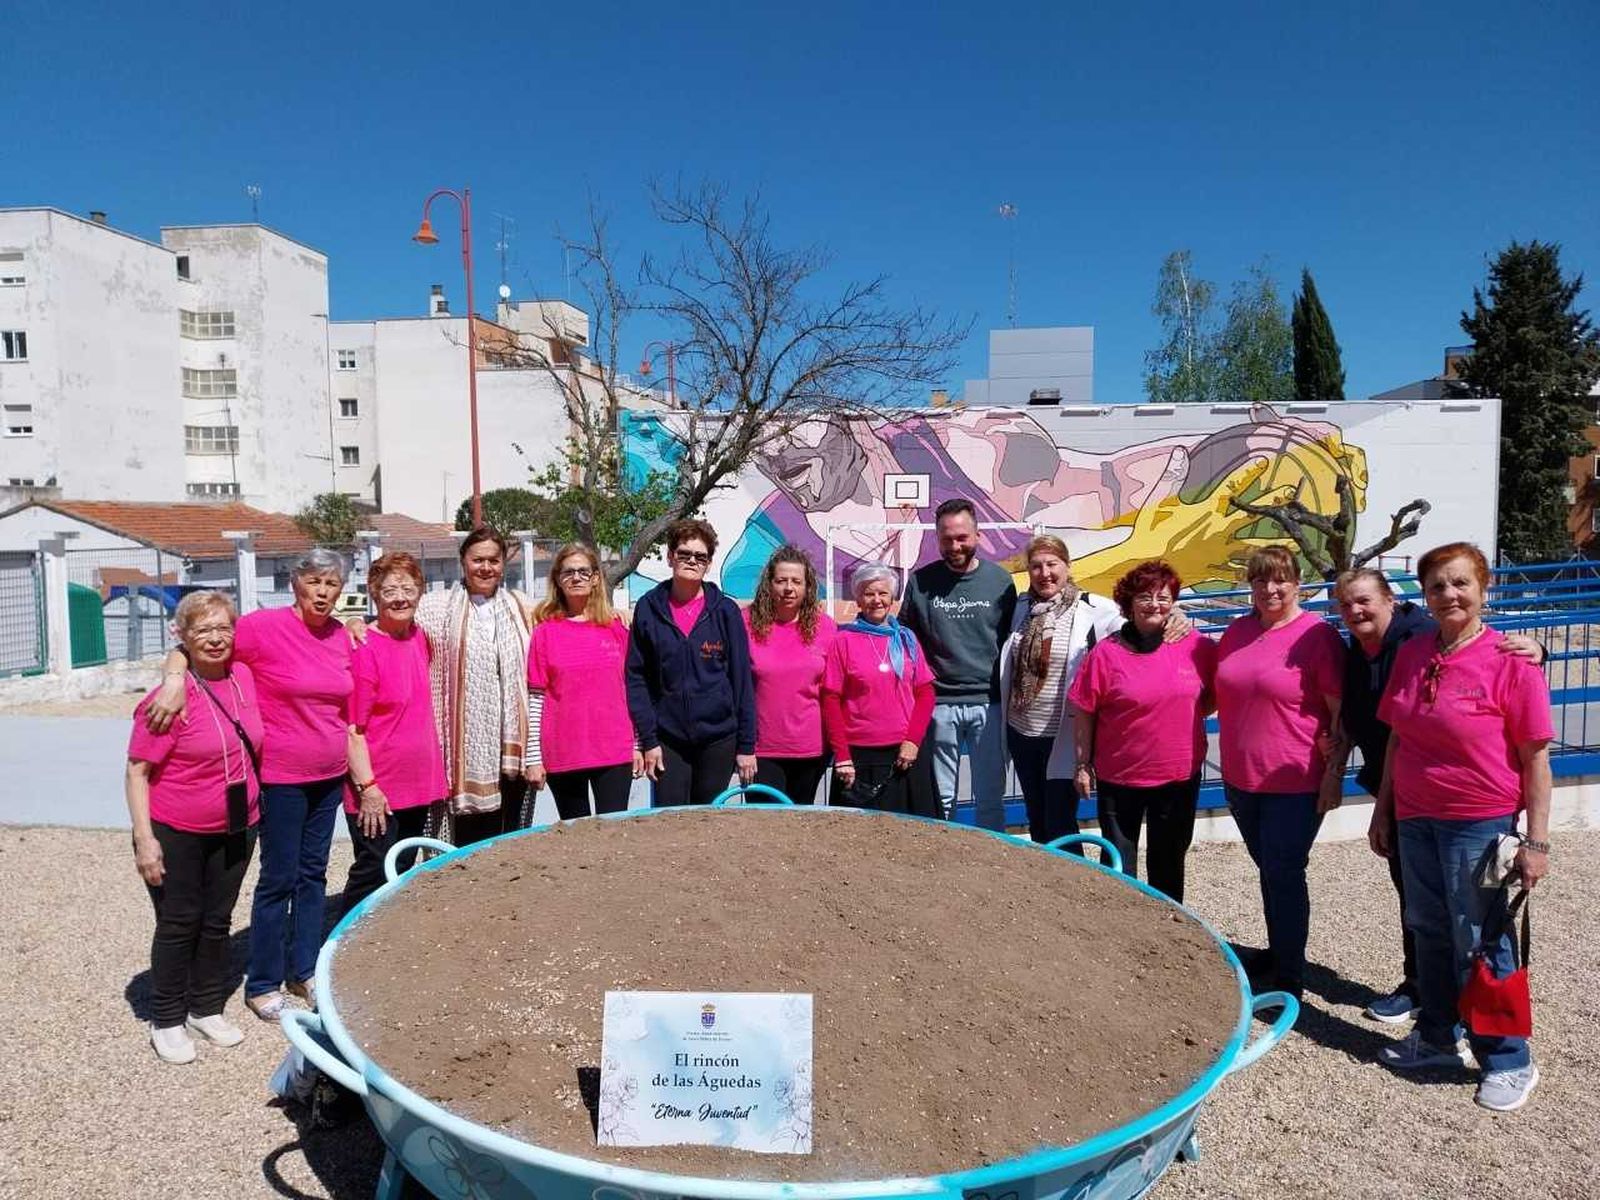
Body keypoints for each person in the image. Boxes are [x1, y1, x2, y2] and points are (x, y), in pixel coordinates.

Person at [1370, 542, 1552, 1112]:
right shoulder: (1416, 651)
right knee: (1428, 928)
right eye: (1437, 587)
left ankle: (1508, 1057)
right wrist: (1384, 807)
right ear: (1423, 597)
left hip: (1479, 821)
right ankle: (1437, 1036)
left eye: (1460, 584)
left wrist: (1537, 841)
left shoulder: (1511, 660)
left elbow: (1536, 758)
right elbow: (1399, 736)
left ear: (1483, 587)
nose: (1449, 595)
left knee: (1483, 938)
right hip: (1418, 817)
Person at [1327, 568, 1545, 1023]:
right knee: (1422, 910)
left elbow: (1492, 655)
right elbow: (1388, 731)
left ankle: (1492, 1035)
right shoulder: (1364, 650)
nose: (1355, 611)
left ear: (1392, 599)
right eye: (1345, 605)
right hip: (1406, 797)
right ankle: (1431, 1004)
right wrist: (1379, 805)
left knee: (1475, 923)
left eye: (1364, 600)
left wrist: (1540, 649)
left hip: (1470, 808)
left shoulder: (1420, 639)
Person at [145, 549, 354, 1020]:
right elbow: (198, 645)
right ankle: (262, 982)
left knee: (314, 877)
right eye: (314, 582)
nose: (322, 592)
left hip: (328, 777)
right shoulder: (263, 628)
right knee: (278, 880)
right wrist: (174, 677)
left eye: (331, 584)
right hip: (281, 778)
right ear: (295, 584)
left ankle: (302, 970)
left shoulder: (342, 635)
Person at [126, 592, 261, 1063]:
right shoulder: (165, 701)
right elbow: (137, 772)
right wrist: (145, 840)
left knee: (217, 920)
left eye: (223, 627)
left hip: (238, 824)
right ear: (181, 637)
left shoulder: (243, 675)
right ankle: (166, 1018)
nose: (215, 638)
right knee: (179, 922)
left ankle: (205, 1007)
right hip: (177, 828)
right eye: (202, 630)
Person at [1213, 545, 1344, 1002]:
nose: (1271, 589)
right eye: (1261, 580)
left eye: (1281, 579)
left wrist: (1334, 775)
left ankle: (1290, 974)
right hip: (1242, 777)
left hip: (1295, 779)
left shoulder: (1317, 636)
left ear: (1297, 583)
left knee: (1285, 871)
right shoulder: (1238, 631)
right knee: (1269, 870)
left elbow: (1338, 711)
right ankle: (1280, 950)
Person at [1067, 561, 1217, 901]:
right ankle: (1121, 930)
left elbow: (1212, 695)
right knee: (1119, 864)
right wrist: (1082, 764)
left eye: (1163, 597)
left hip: (1178, 775)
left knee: (1169, 859)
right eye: (1145, 597)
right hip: (1120, 777)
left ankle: (1169, 925)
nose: (1154, 604)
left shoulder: (1196, 646)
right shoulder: (1107, 653)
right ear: (1128, 603)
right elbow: (1085, 710)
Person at [413, 527, 538, 846]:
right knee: (470, 839)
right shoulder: (434, 608)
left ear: (503, 564)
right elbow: (394, 623)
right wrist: (358, 624)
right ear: (463, 561)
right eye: (478, 559)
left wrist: (619, 613)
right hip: (464, 746)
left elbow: (567, 619)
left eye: (493, 560)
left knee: (510, 833)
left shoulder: (522, 606)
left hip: (512, 746)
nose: (486, 567)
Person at [898, 498, 1018, 827]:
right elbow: (906, 641)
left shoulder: (1000, 582)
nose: (955, 545)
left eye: (962, 537)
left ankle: (991, 862)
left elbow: (1012, 640)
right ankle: (944, 867)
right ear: (937, 539)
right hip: (938, 705)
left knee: (990, 797)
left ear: (977, 536)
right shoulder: (921, 583)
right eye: (947, 538)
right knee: (942, 797)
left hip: (989, 704)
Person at [997, 534, 1124, 845]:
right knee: (1036, 816)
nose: (1044, 573)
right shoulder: (1021, 608)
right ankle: (1048, 884)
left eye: (1052, 564)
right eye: (1036, 566)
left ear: (1067, 566)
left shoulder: (1095, 609)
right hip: (1022, 733)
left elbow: (1136, 628)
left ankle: (1071, 882)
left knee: (1060, 820)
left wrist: (1175, 618)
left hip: (1063, 737)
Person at [339, 552, 447, 915]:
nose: (400, 597)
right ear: (374, 594)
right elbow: (353, 729)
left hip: (416, 783)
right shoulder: (364, 647)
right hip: (378, 786)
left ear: (420, 592)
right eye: (389, 590)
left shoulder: (419, 637)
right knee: (371, 871)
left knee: (400, 869)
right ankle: (341, 947)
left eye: (408, 588)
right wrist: (367, 788)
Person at [626, 519, 758, 806]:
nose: (691, 561)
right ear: (670, 556)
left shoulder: (725, 611)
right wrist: (648, 740)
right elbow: (637, 678)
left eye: (700, 556)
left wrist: (746, 744)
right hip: (667, 739)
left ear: (709, 564)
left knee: (709, 821)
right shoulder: (648, 608)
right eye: (684, 554)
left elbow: (742, 681)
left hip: (718, 739)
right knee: (671, 822)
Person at [525, 543, 640, 819]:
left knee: (613, 834)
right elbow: (536, 698)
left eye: (583, 571)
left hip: (614, 751)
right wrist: (533, 758)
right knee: (576, 840)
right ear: (557, 580)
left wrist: (637, 744)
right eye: (568, 572)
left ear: (596, 578)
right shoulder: (544, 633)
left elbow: (632, 690)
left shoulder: (618, 628)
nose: (576, 578)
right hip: (564, 753)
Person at [822, 563, 938, 814]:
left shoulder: (907, 638)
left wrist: (913, 742)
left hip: (906, 754)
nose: (877, 600)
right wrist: (842, 756)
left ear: (892, 597)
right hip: (860, 758)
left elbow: (926, 693)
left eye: (883, 593)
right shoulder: (843, 641)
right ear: (858, 600)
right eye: (869, 593)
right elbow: (831, 699)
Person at [744, 546, 837, 804]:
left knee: (800, 826)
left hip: (811, 748)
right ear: (769, 584)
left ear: (807, 587)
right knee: (765, 828)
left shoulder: (826, 627)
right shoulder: (745, 623)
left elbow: (834, 690)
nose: (788, 588)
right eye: (781, 580)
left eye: (796, 581)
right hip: (761, 749)